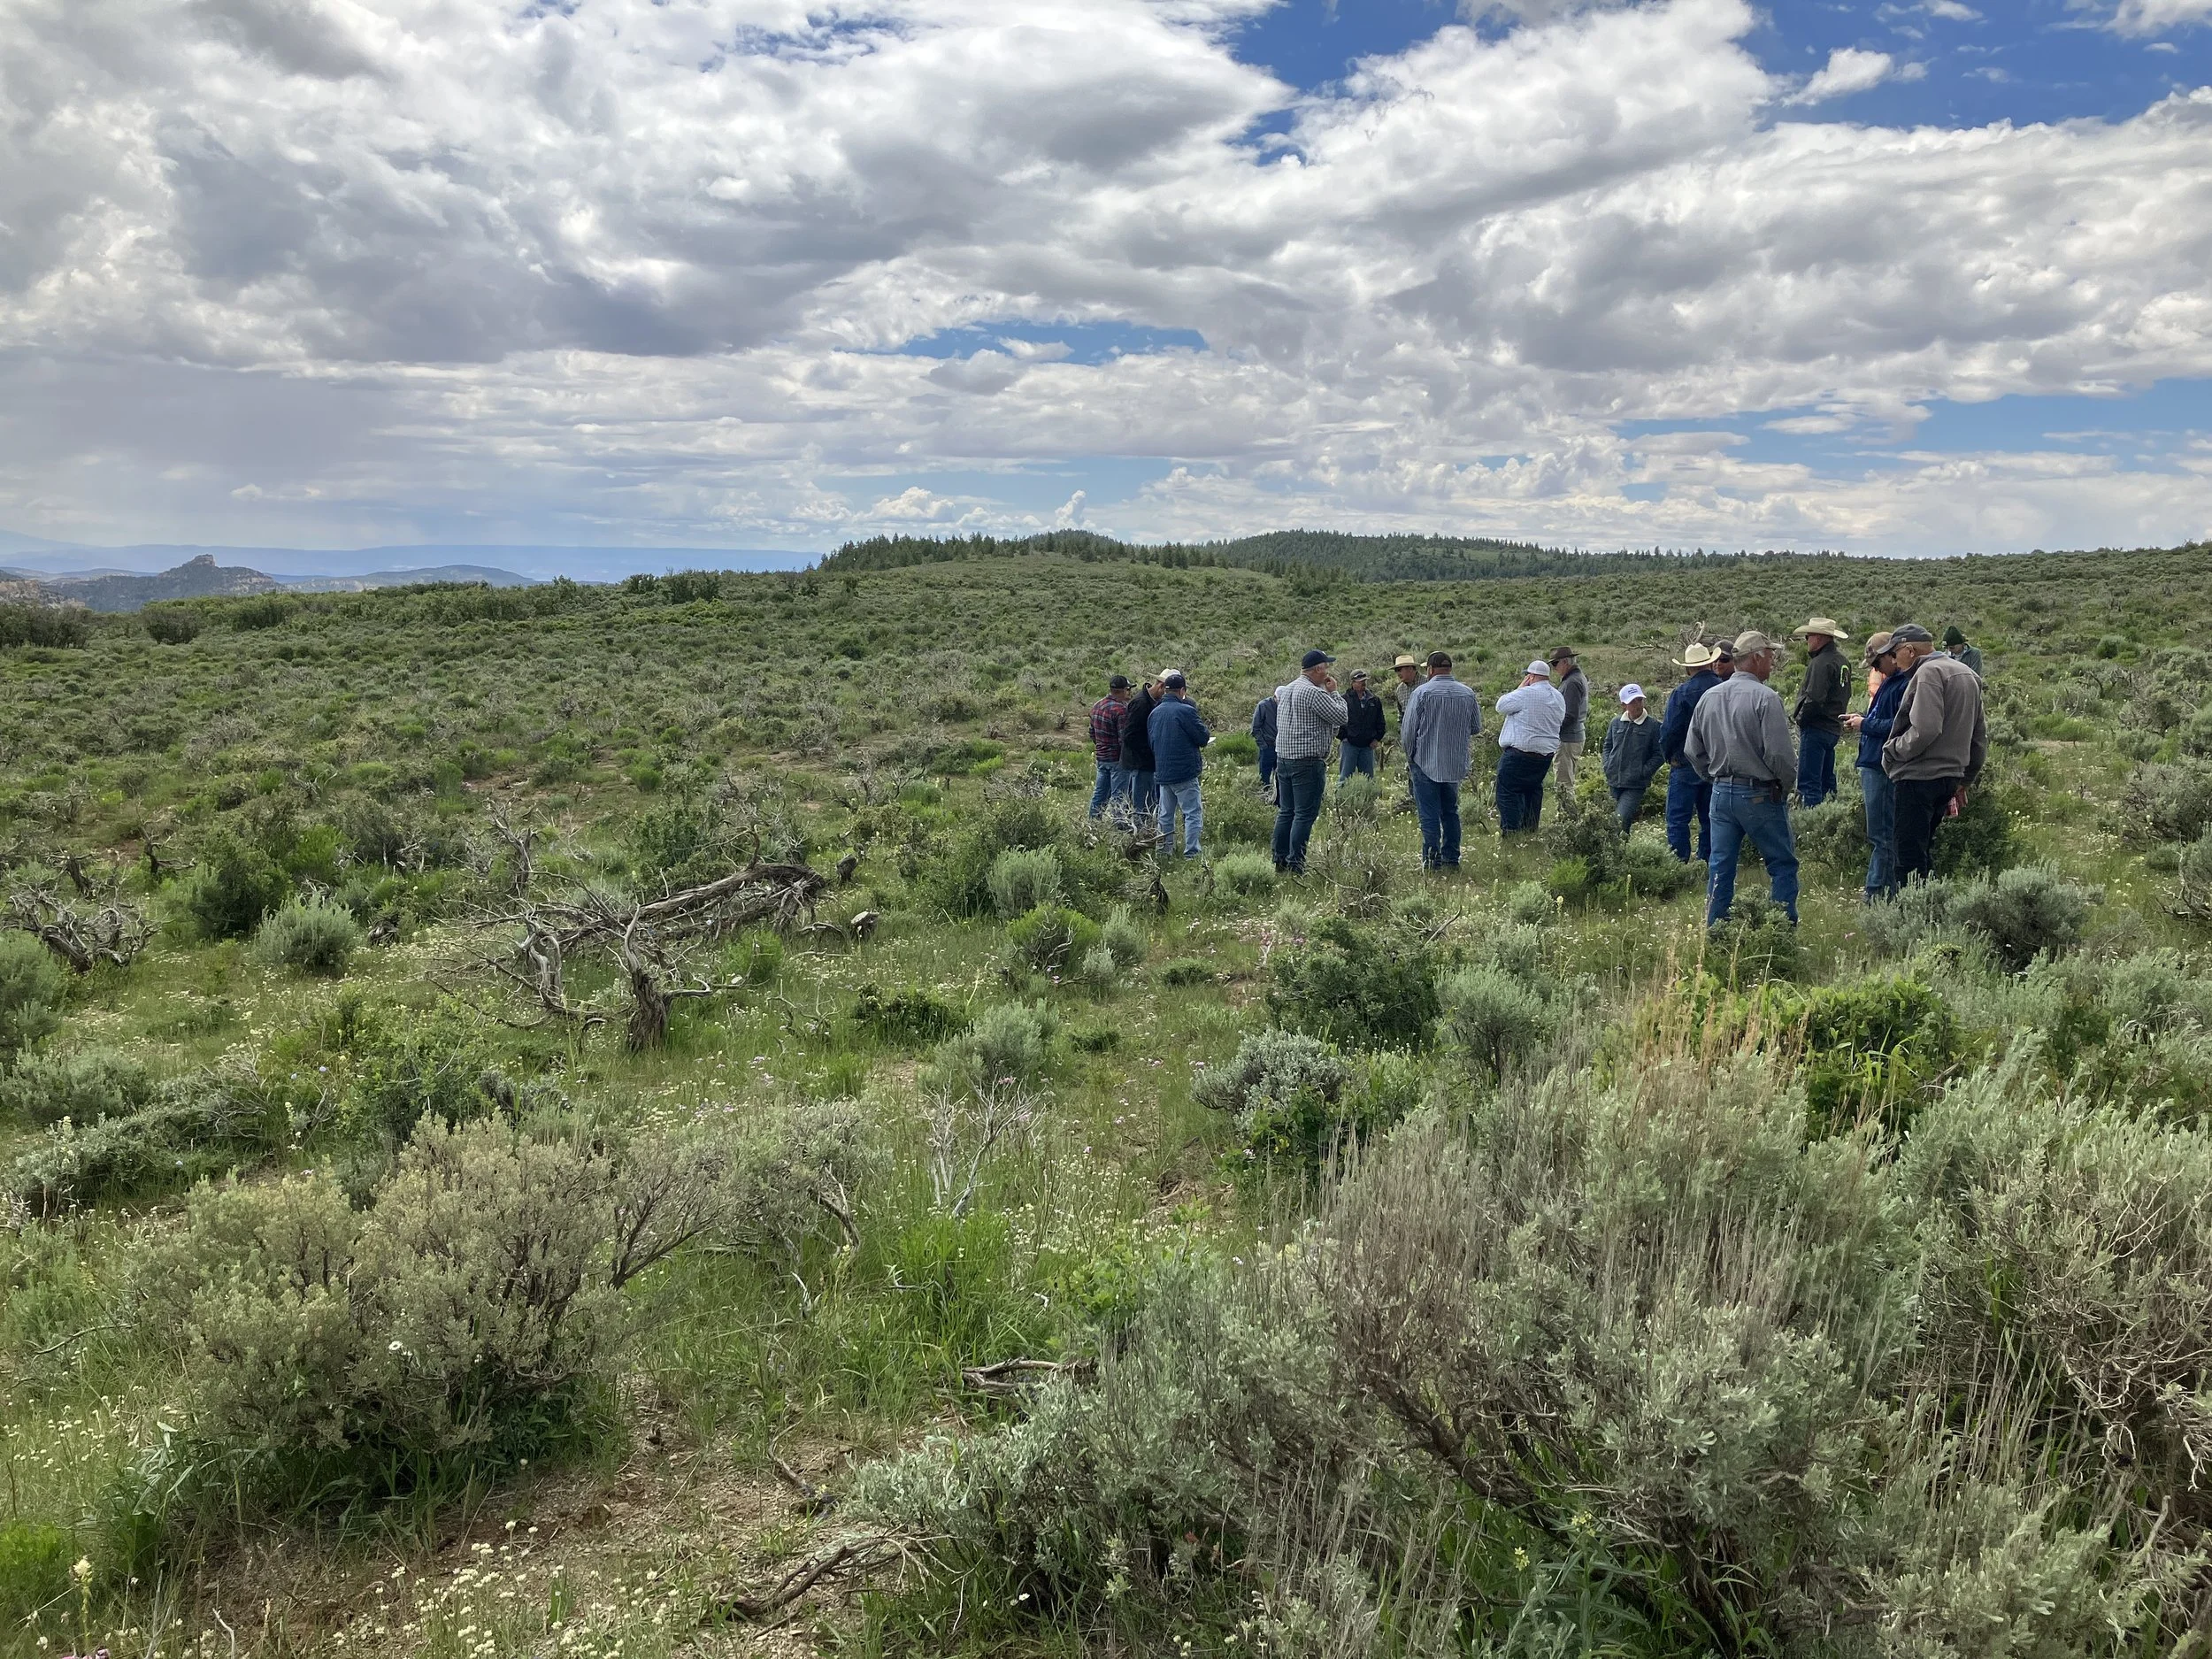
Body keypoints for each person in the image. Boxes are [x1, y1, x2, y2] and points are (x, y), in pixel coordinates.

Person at [1686, 630, 1800, 928]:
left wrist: (1714, 779)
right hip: (1760, 794)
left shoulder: (1709, 697)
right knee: (1782, 864)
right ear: (1757, 657)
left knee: (1720, 867)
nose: (1773, 662)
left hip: (1721, 794)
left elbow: (1692, 750)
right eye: (1771, 655)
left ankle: (1715, 931)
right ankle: (1781, 932)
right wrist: (1785, 785)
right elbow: (1780, 756)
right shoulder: (1766, 698)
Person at [1882, 623, 1988, 884]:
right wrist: (1966, 779)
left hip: (1919, 777)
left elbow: (1926, 729)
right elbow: (1979, 736)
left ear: (1909, 650)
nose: (1894, 662)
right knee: (1924, 851)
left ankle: (1913, 917)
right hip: (1950, 778)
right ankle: (1929, 911)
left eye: (1894, 654)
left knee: (1908, 858)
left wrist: (1893, 749)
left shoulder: (1928, 672)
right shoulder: (1967, 673)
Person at [1399, 651, 1481, 870]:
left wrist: (1411, 757)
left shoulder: (1422, 693)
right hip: (1454, 763)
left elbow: (1408, 732)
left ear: (1430, 670)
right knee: (1450, 811)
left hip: (1425, 762)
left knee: (1429, 814)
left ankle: (1431, 862)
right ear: (1450, 668)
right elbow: (1476, 727)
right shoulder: (1467, 693)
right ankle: (1452, 859)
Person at [1845, 632, 1908, 901]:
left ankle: (1875, 894)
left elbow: (1898, 725)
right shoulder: (1892, 682)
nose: (1873, 668)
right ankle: (1890, 893)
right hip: (1876, 763)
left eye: (1876, 662)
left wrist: (1865, 724)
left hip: (1883, 766)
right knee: (1883, 834)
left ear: (1890, 656)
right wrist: (1864, 720)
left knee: (1882, 835)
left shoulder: (1903, 684)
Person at [1273, 649, 1348, 874]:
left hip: (1284, 758)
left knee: (1287, 811)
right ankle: (1297, 863)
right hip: (1306, 762)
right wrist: (1334, 692)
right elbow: (1341, 717)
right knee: (1304, 814)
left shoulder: (1287, 690)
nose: (1328, 672)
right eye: (1326, 666)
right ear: (1318, 669)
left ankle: (1280, 860)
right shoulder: (1314, 693)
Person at [1660, 641, 1726, 863]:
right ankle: (1707, 860)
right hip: (1718, 762)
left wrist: (1669, 756)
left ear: (1688, 668)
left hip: (1685, 763)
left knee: (1678, 818)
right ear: (1709, 663)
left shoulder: (1681, 693)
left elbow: (1670, 730)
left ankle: (1679, 861)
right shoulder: (1724, 689)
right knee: (1711, 817)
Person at [1494, 658, 1566, 834]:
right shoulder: (1558, 697)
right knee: (1533, 790)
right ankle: (1530, 830)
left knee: (1508, 791)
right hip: (1544, 756)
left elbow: (1500, 706)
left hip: (1519, 753)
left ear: (1531, 676)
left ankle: (1510, 831)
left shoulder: (1525, 694)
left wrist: (1520, 688)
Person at [1148, 670, 1211, 858]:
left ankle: (1164, 851)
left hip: (1163, 771)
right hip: (1184, 771)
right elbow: (1202, 737)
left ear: (1165, 689)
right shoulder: (1186, 710)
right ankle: (1192, 852)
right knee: (1192, 813)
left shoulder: (1155, 712)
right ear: (1182, 690)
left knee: (1165, 814)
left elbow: (1152, 741)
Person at [1788, 618, 1851, 809]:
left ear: (1819, 638)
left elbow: (1814, 699)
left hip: (1816, 729)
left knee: (1809, 784)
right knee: (1826, 780)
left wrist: (1801, 719)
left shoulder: (1820, 663)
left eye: (1808, 636)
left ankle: (1812, 817)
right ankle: (1829, 815)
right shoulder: (1842, 661)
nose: (1807, 640)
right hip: (1833, 729)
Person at [1601, 683, 1664, 830]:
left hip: (1635, 784)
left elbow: (1659, 754)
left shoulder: (1654, 726)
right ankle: (1620, 850)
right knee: (1618, 822)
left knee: (1620, 819)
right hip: (1614, 780)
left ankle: (1617, 849)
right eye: (1632, 701)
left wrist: (1643, 772)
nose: (1637, 705)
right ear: (1624, 705)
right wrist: (1607, 765)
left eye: (1639, 700)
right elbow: (1607, 746)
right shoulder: (1615, 723)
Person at [1087, 674, 1133, 819]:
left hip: (1102, 757)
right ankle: (1120, 826)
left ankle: (1092, 824)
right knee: (1119, 796)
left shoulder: (1097, 705)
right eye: (1128, 689)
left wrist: (1101, 746)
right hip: (1117, 759)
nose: (1129, 693)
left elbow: (1092, 733)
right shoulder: (1121, 710)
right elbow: (1123, 739)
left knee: (1100, 794)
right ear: (1124, 690)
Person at [1548, 647, 1588, 806]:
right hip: (1572, 736)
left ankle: (1566, 820)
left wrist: (1553, 730)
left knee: (1564, 783)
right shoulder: (1576, 678)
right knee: (1566, 780)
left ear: (1565, 662)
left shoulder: (1572, 682)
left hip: (1568, 738)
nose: (1554, 668)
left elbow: (1570, 715)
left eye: (1555, 663)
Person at [1119, 673, 1164, 816]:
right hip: (1139, 762)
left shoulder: (1149, 701)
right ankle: (1141, 833)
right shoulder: (1141, 703)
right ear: (1160, 686)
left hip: (1143, 762)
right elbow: (1130, 735)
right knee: (1142, 803)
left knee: (1146, 800)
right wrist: (1150, 751)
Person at [1339, 670, 1386, 780]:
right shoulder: (1344, 700)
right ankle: (1341, 797)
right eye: (1360, 681)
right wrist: (1344, 737)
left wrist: (1377, 738)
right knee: (1344, 778)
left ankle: (1368, 797)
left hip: (1368, 746)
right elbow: (1337, 721)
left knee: (1369, 779)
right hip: (1349, 745)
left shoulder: (1374, 700)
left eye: (1364, 681)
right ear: (1352, 683)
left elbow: (1380, 722)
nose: (1363, 683)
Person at [1250, 691, 1279, 801]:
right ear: (1275, 697)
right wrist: (1263, 745)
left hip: (1282, 748)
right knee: (1264, 776)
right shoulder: (1263, 705)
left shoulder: (1286, 704)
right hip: (1268, 746)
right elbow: (1255, 728)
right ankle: (1263, 799)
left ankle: (1278, 800)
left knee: (1281, 776)